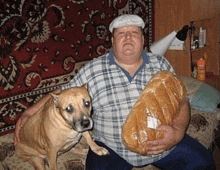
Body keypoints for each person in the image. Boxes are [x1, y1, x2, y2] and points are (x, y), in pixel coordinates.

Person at [14, 14, 216, 170]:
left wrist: (177, 132)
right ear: (112, 41)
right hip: (113, 148)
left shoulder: (161, 63)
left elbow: (181, 101)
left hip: (161, 143)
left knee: (203, 162)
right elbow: (63, 93)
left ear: (143, 39)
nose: (128, 37)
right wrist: (29, 112)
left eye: (134, 33)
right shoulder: (93, 70)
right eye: (121, 33)